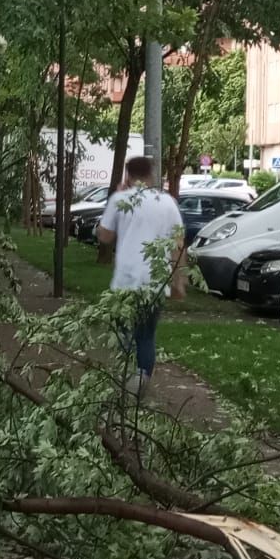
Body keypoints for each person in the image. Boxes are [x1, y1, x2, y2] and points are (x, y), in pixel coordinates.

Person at [95, 155, 186, 388]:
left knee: (124, 336)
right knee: (146, 337)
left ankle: (125, 384)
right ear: (151, 175)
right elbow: (178, 244)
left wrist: (117, 196)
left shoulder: (120, 199)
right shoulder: (167, 202)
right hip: (154, 282)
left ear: (128, 175)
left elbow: (104, 237)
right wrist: (178, 281)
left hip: (125, 282)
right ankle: (140, 387)